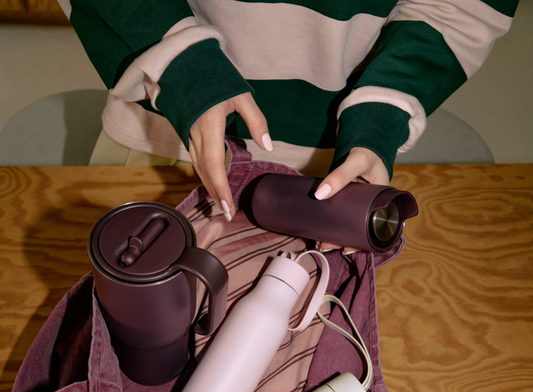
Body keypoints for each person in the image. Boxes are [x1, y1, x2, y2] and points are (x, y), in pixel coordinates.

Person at [59, 0, 518, 227]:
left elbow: (461, 7)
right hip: (158, 136)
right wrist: (183, 69)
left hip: (335, 164)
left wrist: (382, 113)